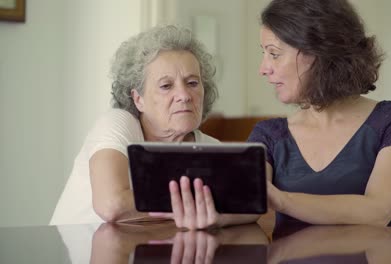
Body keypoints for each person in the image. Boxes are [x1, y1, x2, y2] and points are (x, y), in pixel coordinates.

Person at [50, 25, 258, 229]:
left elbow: (251, 204)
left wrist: (218, 218)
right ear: (138, 99)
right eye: (166, 86)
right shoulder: (117, 123)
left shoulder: (209, 146)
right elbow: (111, 205)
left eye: (192, 83)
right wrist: (197, 205)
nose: (184, 95)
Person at [248, 0, 391, 228]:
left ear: (317, 52)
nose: (263, 68)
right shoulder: (269, 135)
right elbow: (244, 206)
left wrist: (283, 200)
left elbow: (377, 211)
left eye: (274, 54)